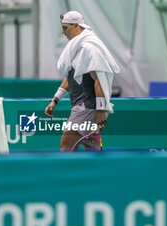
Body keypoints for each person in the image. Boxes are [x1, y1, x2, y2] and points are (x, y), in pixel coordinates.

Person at [44, 10, 120, 152]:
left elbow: (99, 80)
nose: (63, 32)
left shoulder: (89, 49)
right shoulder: (76, 48)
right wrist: (55, 100)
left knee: (66, 146)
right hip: (84, 108)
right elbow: (71, 77)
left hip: (87, 108)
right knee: (93, 150)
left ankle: (66, 175)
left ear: (76, 26)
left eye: (66, 28)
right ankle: (99, 174)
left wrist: (100, 111)